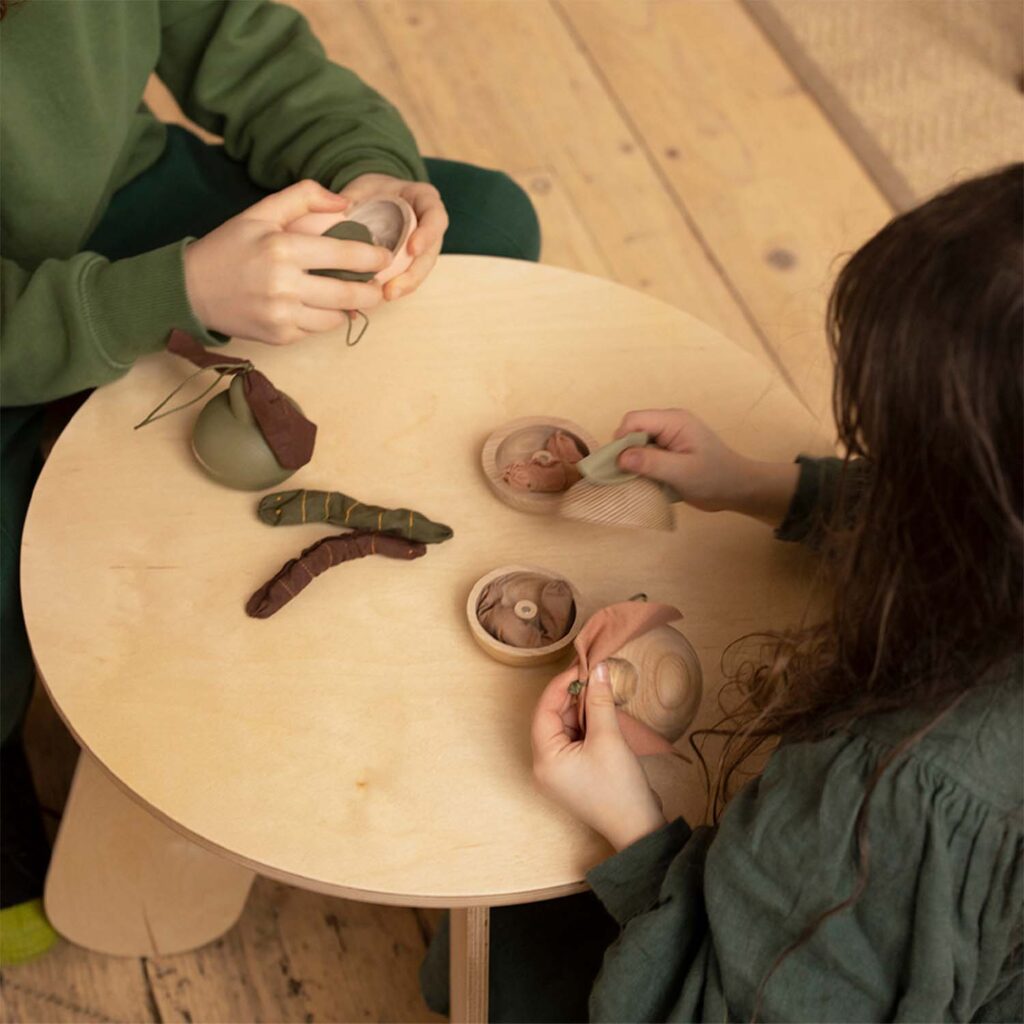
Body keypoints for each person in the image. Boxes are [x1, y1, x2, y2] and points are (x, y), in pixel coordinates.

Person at [0, 0, 539, 964]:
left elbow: (233, 34)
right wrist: (177, 295)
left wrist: (366, 164)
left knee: (495, 219)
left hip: (118, 197)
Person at [422, 163, 1023, 1021]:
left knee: (499, 930)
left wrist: (631, 823)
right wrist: (755, 484)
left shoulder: (899, 797)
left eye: (896, 436)